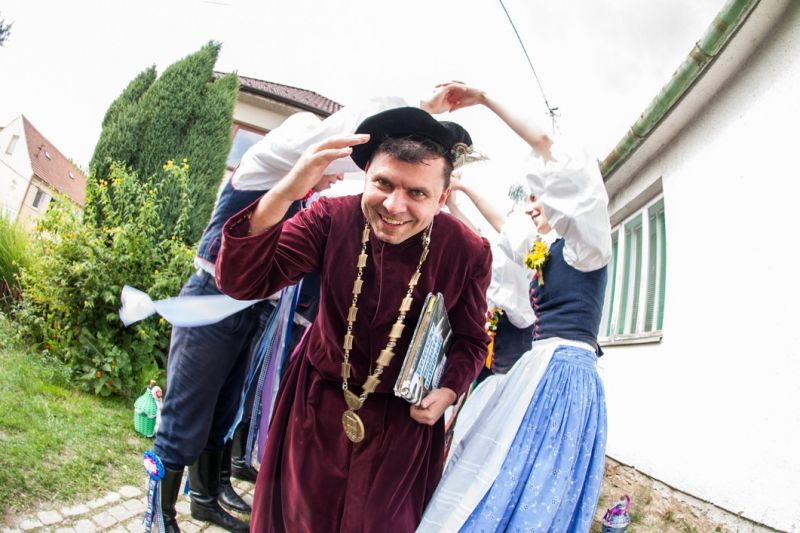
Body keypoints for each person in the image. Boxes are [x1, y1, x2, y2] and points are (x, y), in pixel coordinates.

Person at [215, 103, 492, 531]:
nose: (394, 206)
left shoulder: (468, 251)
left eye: (417, 194)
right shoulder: (331, 218)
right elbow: (241, 280)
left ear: (441, 198)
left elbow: (472, 340)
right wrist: (287, 192)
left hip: (402, 429)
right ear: (366, 175)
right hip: (316, 411)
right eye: (383, 183)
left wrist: (450, 389)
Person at [143, 100, 396, 533]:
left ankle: (204, 499)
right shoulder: (260, 169)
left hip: (251, 313)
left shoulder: (297, 200)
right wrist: (418, 111)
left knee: (224, 412)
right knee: (185, 414)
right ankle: (159, 517)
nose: (337, 175)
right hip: (211, 305)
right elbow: (327, 142)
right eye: (327, 165)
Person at [417, 82, 612, 532]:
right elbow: (500, 227)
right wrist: (462, 188)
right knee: (503, 459)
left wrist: (486, 99)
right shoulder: (546, 251)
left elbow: (546, 146)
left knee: (534, 467)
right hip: (540, 366)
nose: (533, 207)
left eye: (540, 198)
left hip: (565, 371)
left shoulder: (589, 247)